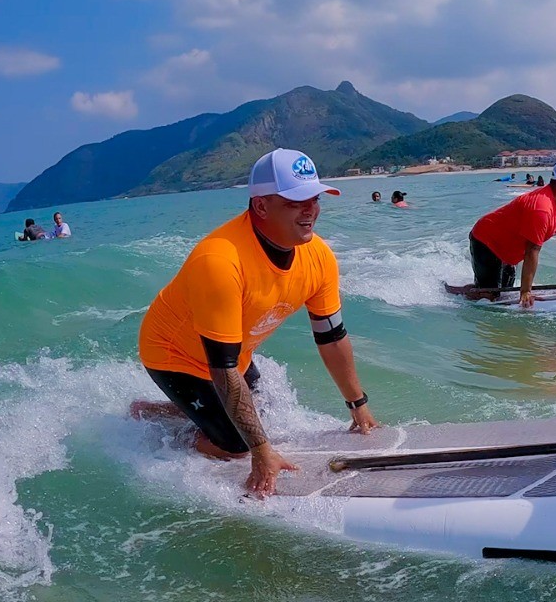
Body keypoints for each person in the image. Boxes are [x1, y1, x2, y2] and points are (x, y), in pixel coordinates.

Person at [132, 148, 377, 497]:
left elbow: (331, 336)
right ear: (261, 206)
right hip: (175, 355)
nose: (311, 210)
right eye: (296, 201)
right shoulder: (220, 260)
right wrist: (260, 452)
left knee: (259, 408)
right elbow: (222, 367)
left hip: (232, 350)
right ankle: (168, 422)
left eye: (315, 198)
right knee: (236, 446)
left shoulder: (319, 256)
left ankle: (177, 409)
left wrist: (358, 405)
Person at [467, 157, 556, 307]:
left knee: (504, 294)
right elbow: (532, 251)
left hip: (509, 250)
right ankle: (457, 295)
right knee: (489, 297)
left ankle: (476, 287)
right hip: (487, 240)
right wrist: (526, 292)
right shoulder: (542, 208)